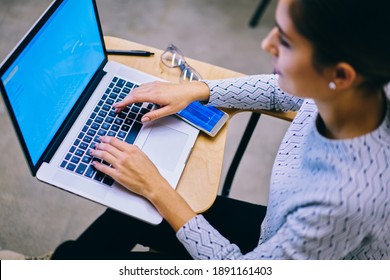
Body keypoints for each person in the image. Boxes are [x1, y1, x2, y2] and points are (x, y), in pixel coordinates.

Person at [48, 0, 390, 259]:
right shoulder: (362, 89)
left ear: (340, 76)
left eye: (285, 41)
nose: (266, 44)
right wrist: (198, 91)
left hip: (266, 253)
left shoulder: (340, 202)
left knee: (89, 248)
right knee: (125, 214)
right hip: (278, 232)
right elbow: (281, 91)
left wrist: (159, 189)